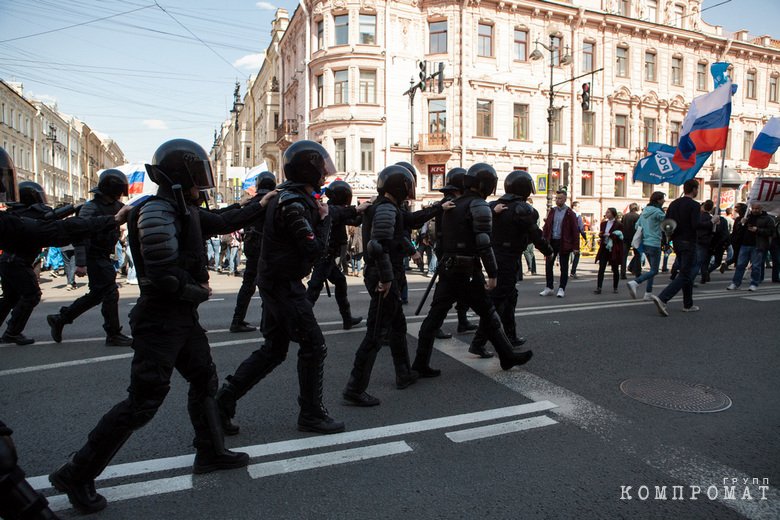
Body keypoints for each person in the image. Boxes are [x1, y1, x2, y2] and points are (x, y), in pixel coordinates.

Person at [48, 138, 272, 514]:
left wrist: (260, 204)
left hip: (179, 318)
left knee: (204, 380)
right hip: (160, 319)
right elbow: (163, 274)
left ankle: (210, 452)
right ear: (183, 175)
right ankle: (76, 472)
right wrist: (197, 292)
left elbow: (222, 220)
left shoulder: (181, 208)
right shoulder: (156, 211)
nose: (204, 185)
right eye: (198, 176)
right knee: (143, 402)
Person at [216, 141, 345, 437]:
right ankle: (311, 413)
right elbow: (314, 250)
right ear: (308, 168)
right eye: (321, 166)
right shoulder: (294, 202)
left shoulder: (290, 197)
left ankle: (224, 400)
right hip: (284, 285)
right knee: (313, 346)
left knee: (274, 349)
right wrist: (325, 221)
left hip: (276, 282)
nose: (325, 173)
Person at [413, 163, 534, 376]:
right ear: (487, 184)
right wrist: (493, 274)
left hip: (449, 269)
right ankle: (507, 356)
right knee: (489, 314)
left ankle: (420, 363)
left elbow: (442, 238)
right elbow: (484, 244)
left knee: (434, 318)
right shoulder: (478, 205)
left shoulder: (452, 204)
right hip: (468, 271)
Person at [342, 165, 421, 406]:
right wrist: (387, 279)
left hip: (384, 273)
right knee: (375, 333)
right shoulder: (387, 209)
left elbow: (396, 237)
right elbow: (378, 245)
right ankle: (355, 388)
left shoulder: (385, 207)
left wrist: (411, 250)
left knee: (397, 326)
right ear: (399, 186)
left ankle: (404, 373)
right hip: (383, 275)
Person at [468, 170, 552, 358]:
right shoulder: (523, 209)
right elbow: (535, 234)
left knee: (509, 297)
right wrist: (548, 250)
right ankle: (478, 342)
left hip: (496, 254)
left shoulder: (494, 205)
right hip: (508, 257)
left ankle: (510, 334)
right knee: (497, 301)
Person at [46, 169, 134, 347]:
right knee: (110, 293)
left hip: (104, 256)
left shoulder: (116, 206)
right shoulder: (90, 208)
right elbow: (80, 235)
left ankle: (61, 318)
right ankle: (113, 334)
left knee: (97, 295)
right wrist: (80, 262)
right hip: (94, 255)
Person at [305, 179, 368, 329]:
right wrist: (359, 209)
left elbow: (354, 220)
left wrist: (366, 211)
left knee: (340, 282)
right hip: (324, 256)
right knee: (313, 289)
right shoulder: (330, 209)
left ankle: (347, 319)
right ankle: (300, 320)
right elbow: (346, 214)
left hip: (328, 257)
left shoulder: (335, 209)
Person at [650, 179, 718, 316]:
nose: (697, 191)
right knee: (686, 274)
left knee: (685, 272)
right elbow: (696, 225)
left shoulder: (674, 204)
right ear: (694, 189)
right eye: (697, 189)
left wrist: (668, 240)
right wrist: (711, 222)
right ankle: (663, 298)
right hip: (689, 242)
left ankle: (688, 304)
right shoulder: (694, 205)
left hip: (677, 242)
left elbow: (667, 224)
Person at [0, 182, 56, 345]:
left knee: (10, 297)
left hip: (9, 261)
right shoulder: (32, 214)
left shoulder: (13, 214)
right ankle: (12, 332)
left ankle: (12, 331)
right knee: (32, 295)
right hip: (18, 261)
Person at [427, 167, 477, 340]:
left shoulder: (447, 201)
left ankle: (462, 320)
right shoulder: (451, 203)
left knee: (461, 287)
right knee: (445, 292)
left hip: (451, 251)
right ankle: (435, 326)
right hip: (450, 252)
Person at [229, 171, 277, 333]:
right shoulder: (274, 201)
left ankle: (237, 319)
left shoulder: (252, 202)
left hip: (251, 246)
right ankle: (266, 322)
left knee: (248, 284)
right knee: (268, 284)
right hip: (267, 247)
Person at [726, 202, 775, 291]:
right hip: (745, 244)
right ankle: (735, 283)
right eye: (753, 208)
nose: (755, 210)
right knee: (740, 265)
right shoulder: (747, 217)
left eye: (757, 209)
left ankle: (754, 283)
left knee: (756, 266)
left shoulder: (767, 219)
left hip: (758, 245)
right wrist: (741, 223)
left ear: (761, 209)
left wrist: (758, 230)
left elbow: (771, 232)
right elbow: (738, 231)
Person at [540, 190, 580, 298]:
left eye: (560, 198)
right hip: (552, 241)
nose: (557, 200)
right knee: (548, 264)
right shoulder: (552, 211)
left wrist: (576, 247)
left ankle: (562, 288)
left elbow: (575, 231)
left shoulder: (569, 213)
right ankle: (549, 287)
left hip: (563, 242)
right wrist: (544, 240)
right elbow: (547, 226)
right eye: (556, 198)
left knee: (564, 266)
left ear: (565, 199)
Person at [626, 192, 666, 300]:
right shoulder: (658, 212)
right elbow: (667, 223)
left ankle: (648, 293)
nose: (664, 201)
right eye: (663, 199)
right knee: (654, 270)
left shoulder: (644, 212)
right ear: (658, 200)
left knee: (652, 269)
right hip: (655, 243)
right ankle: (635, 282)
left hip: (645, 243)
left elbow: (636, 226)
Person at [593, 208, 623, 294]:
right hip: (604, 247)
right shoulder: (603, 223)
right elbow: (602, 233)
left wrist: (611, 235)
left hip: (613, 248)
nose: (606, 213)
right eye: (606, 212)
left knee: (615, 268)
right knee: (601, 267)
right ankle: (599, 287)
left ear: (613, 214)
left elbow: (620, 236)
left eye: (608, 212)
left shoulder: (618, 224)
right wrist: (602, 235)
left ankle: (615, 287)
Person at [621, 203, 641, 278]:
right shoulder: (638, 216)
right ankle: (637, 272)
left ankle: (623, 273)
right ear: (636, 208)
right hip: (635, 238)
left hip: (626, 237)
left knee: (624, 256)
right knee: (637, 255)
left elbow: (622, 225)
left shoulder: (625, 216)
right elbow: (639, 227)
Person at [569, 201, 587, 279]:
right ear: (574, 207)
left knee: (566, 254)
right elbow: (581, 228)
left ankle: (564, 271)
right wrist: (585, 237)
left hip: (566, 238)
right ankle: (573, 272)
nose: (579, 208)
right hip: (575, 238)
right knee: (577, 254)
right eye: (578, 207)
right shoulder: (577, 216)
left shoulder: (568, 214)